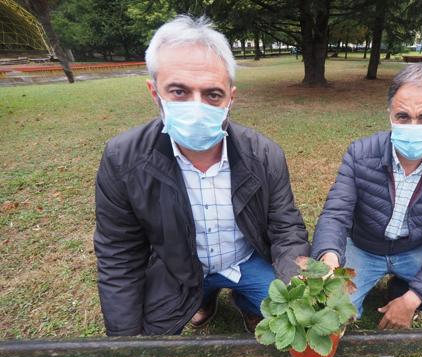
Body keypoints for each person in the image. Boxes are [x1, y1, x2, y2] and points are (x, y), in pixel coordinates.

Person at [94, 16, 309, 336]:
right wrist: (125, 338)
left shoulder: (265, 154)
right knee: (147, 346)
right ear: (155, 93)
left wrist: (299, 285)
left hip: (244, 262)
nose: (197, 107)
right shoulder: (122, 159)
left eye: (212, 94)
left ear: (230, 98)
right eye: (179, 91)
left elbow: (286, 227)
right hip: (177, 268)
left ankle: (246, 300)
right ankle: (202, 298)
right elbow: (119, 254)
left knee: (290, 315)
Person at [311, 60, 422, 330]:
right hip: (362, 247)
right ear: (390, 115)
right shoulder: (360, 154)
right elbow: (336, 213)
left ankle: (402, 288)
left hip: (413, 250)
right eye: (403, 116)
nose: (413, 126)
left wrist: (413, 299)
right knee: (330, 312)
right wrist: (330, 261)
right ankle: (376, 286)